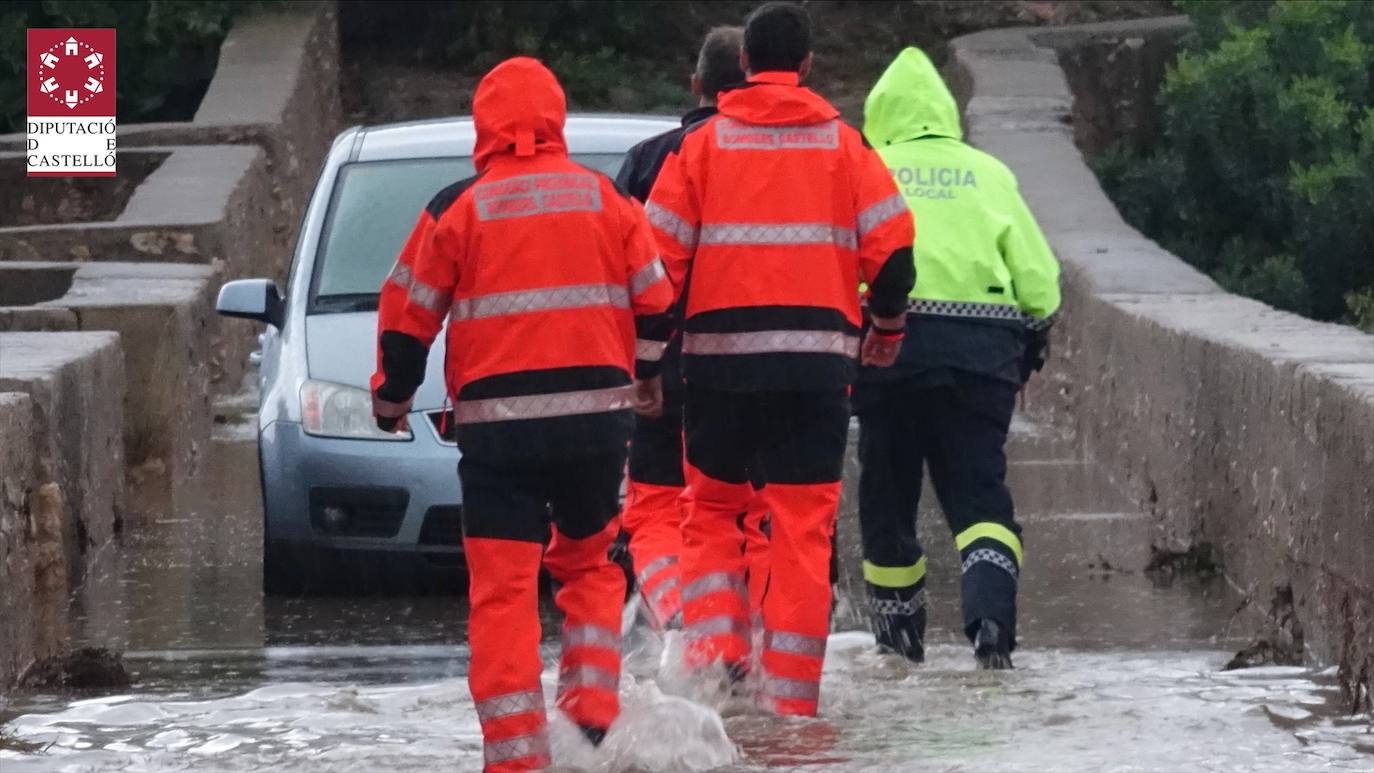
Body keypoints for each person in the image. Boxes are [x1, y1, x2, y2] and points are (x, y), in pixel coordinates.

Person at [370, 57, 673, 772]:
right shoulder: (606, 200)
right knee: (593, 563)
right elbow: (657, 302)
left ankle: (515, 757)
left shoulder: (459, 207)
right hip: (597, 424)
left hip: (498, 434)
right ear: (557, 119)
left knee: (504, 591)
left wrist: (392, 399)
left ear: (485, 127)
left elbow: (406, 317)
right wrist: (649, 378)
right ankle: (591, 712)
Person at [645, 2, 915, 716]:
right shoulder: (845, 146)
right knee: (800, 530)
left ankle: (713, 676)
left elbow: (655, 268)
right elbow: (893, 255)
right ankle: (792, 708)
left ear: (740, 66)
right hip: (816, 371)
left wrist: (646, 362)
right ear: (807, 66)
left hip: (719, 372)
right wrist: (884, 331)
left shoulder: (700, 150)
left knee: (710, 514)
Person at [856, 47, 1061, 669]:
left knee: (888, 496)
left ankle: (898, 644)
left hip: (889, 352)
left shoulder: (867, 169)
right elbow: (1042, 287)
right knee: (980, 500)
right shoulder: (989, 174)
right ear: (946, 112)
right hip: (981, 359)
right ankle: (992, 625)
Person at [615, 25, 772, 633]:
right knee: (752, 512)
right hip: (755, 364)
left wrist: (635, 365)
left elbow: (623, 273)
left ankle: (681, 616)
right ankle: (752, 640)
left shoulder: (650, 159)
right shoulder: (780, 155)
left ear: (697, 85)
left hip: (668, 361)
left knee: (656, 506)